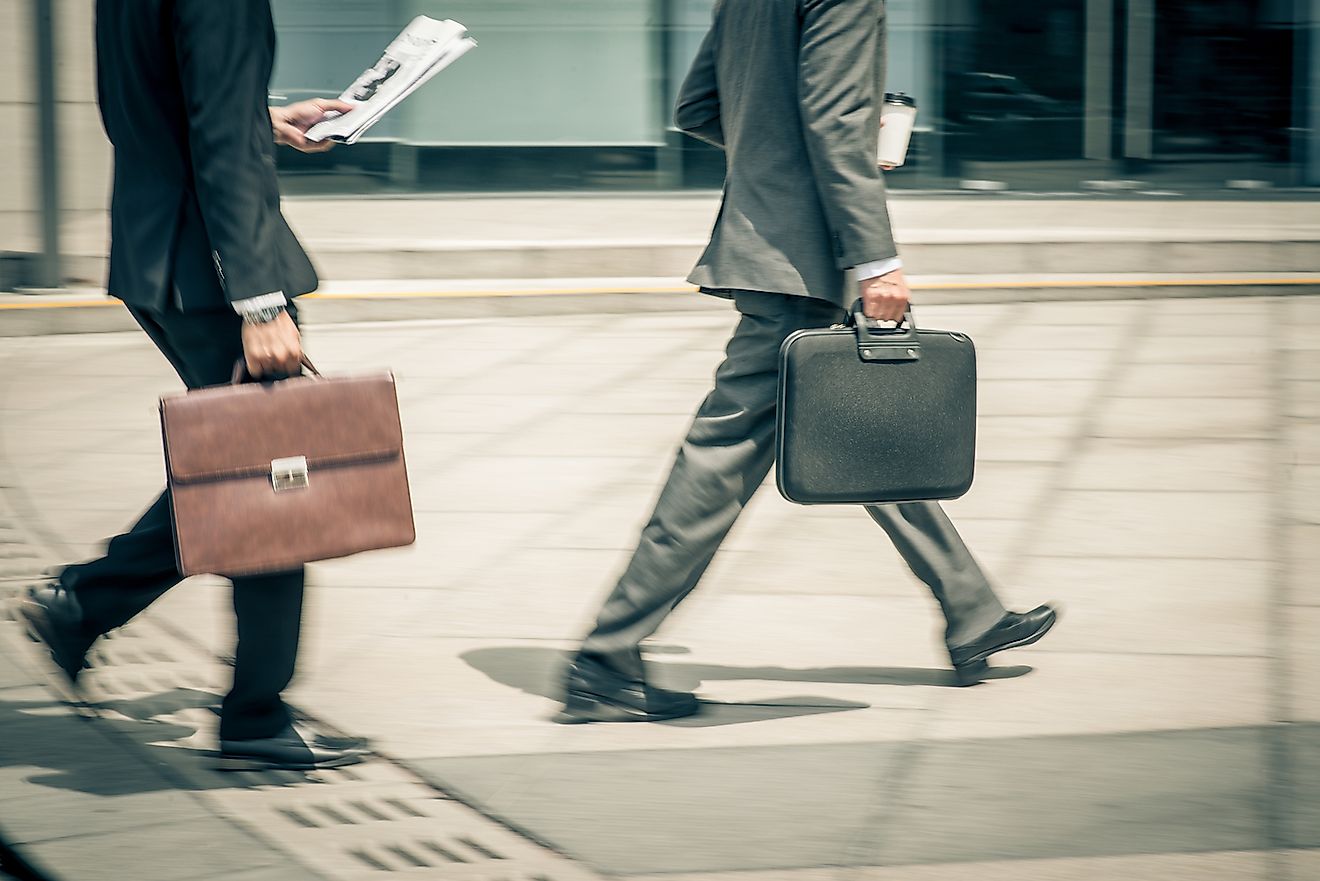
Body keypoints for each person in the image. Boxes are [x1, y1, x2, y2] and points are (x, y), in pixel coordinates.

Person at [557, 0, 1057, 724]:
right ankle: (604, 657)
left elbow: (698, 105)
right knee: (724, 453)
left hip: (771, 237)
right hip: (803, 252)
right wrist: (876, 259)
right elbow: (829, 120)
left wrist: (778, 155)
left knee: (853, 423)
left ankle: (972, 609)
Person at [17, 0, 364, 770]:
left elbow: (160, 99)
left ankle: (85, 604)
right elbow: (215, 142)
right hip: (210, 271)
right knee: (275, 485)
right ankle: (254, 719)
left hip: (156, 252)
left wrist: (260, 117)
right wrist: (261, 299)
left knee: (243, 473)